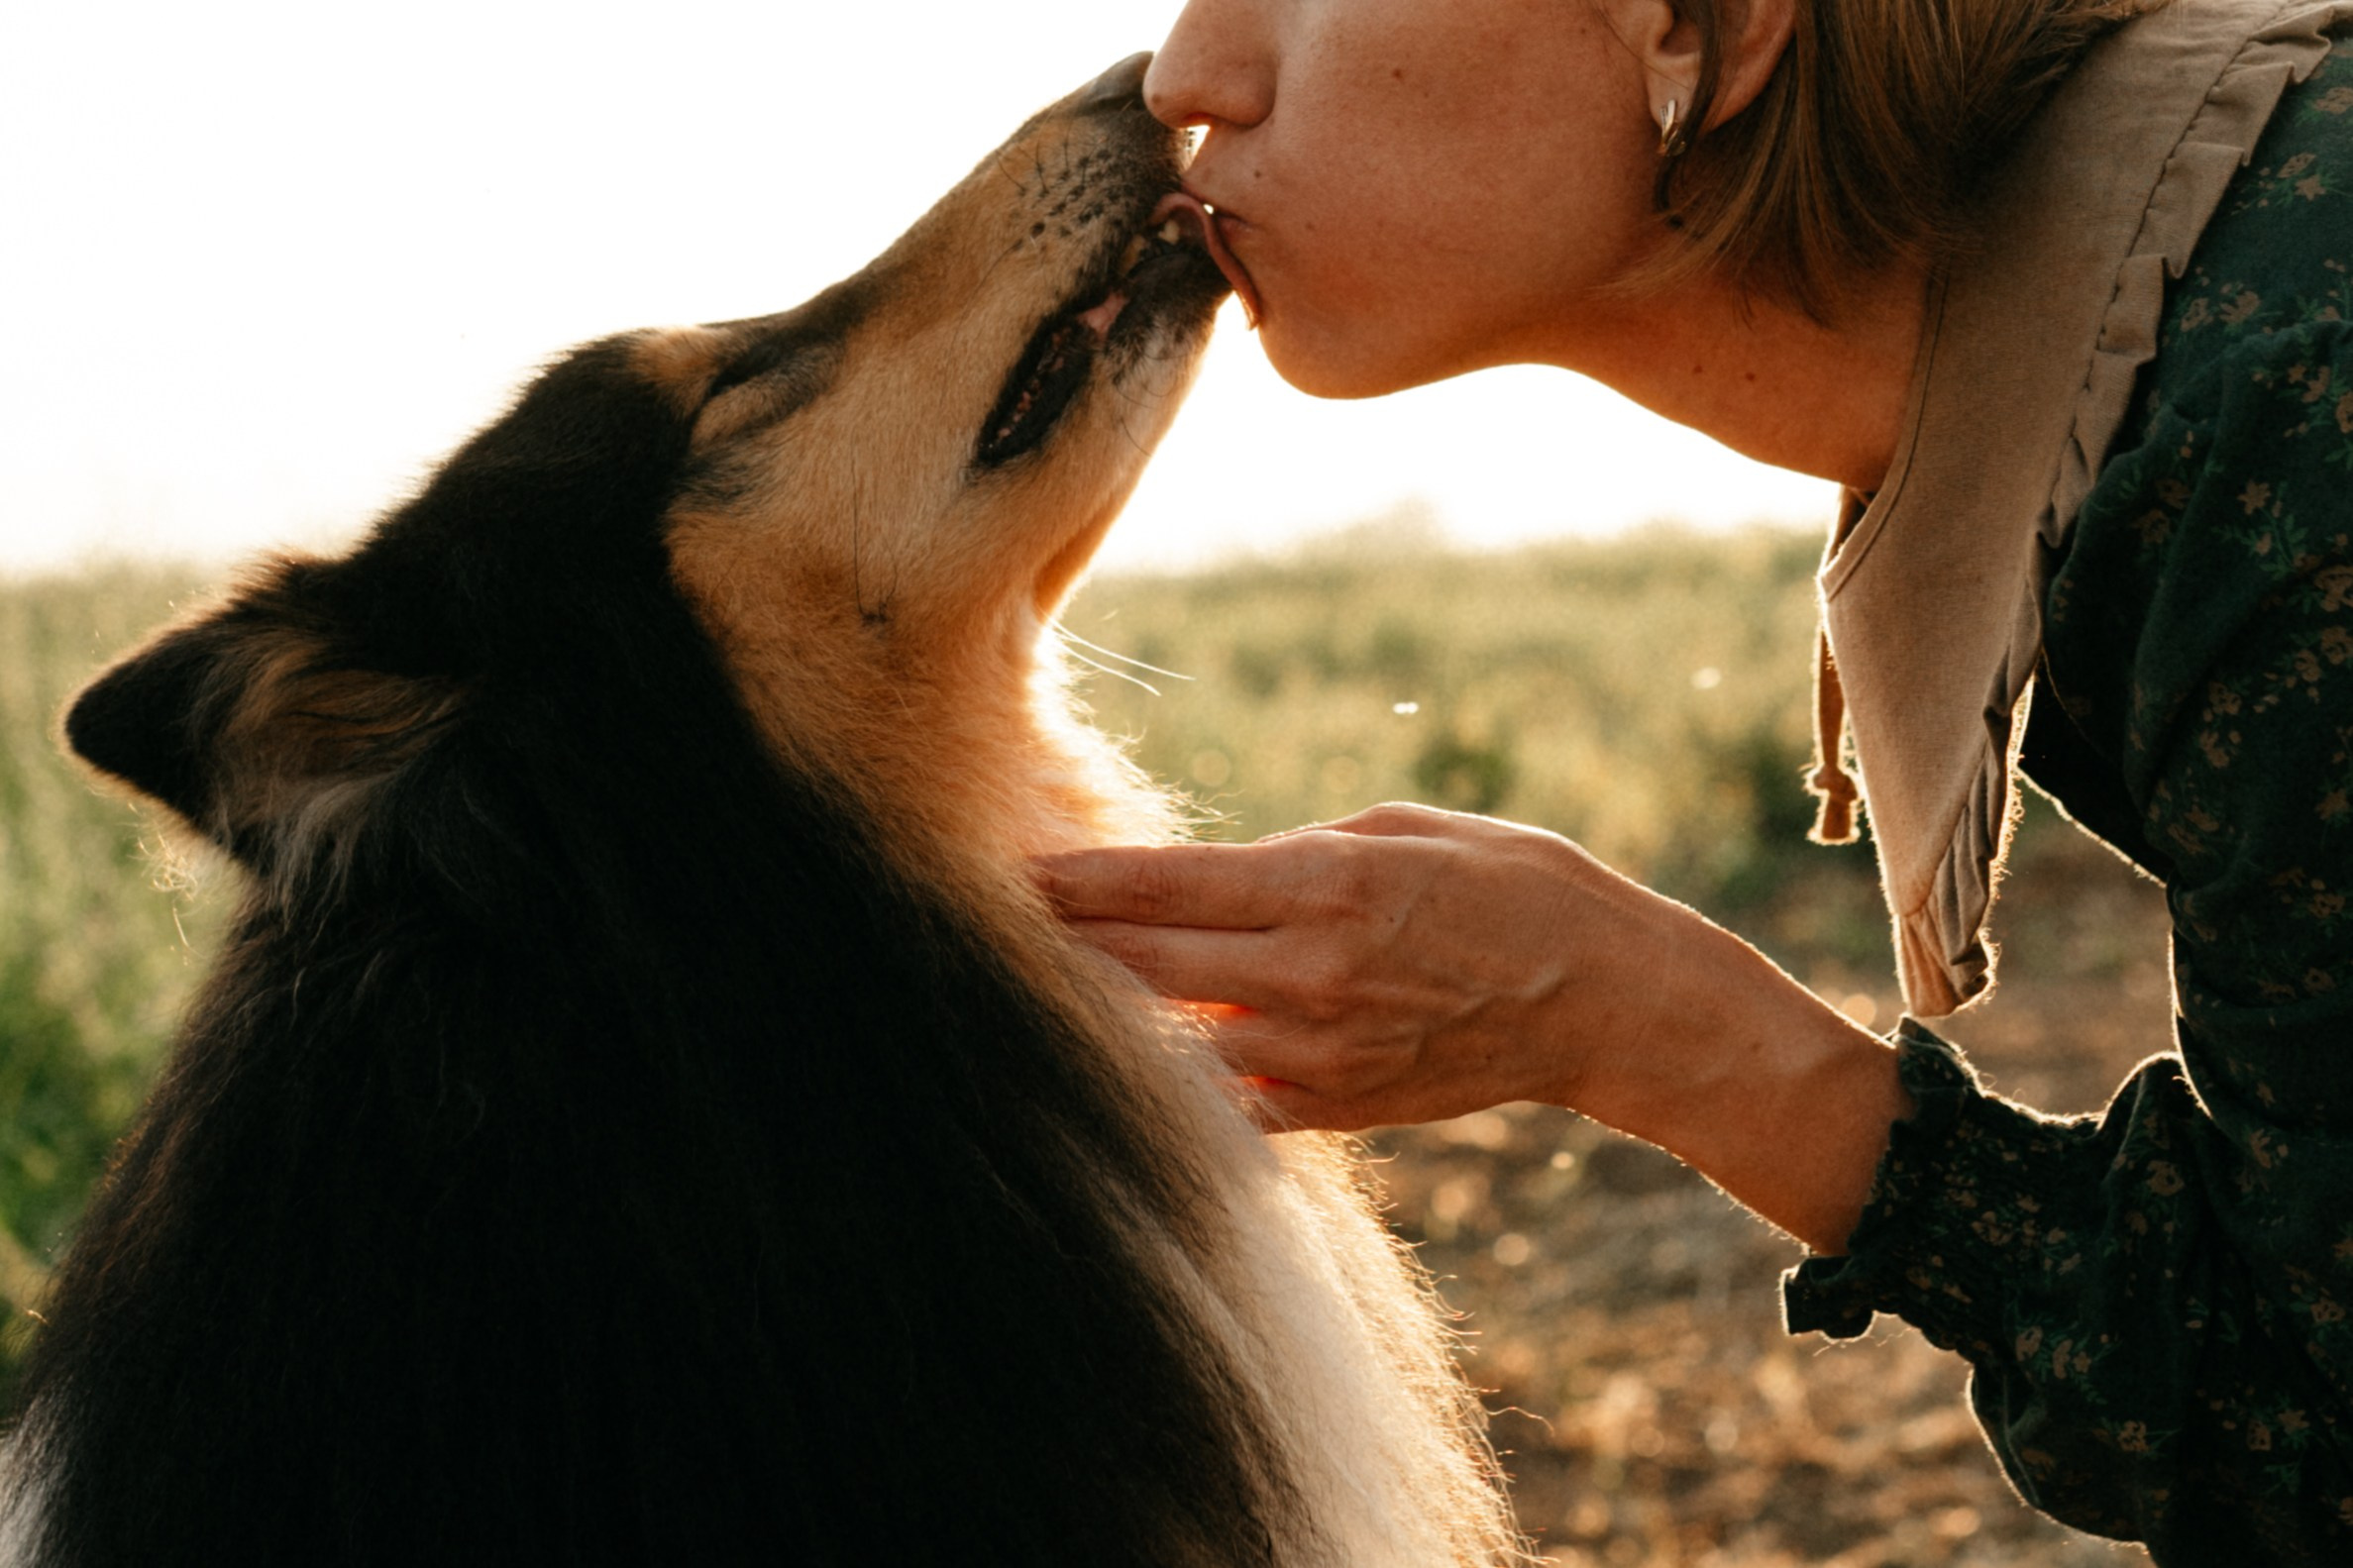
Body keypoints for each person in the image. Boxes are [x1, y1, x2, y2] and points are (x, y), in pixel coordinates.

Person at [1035, 0, 2353, 1559]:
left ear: (1690, 31)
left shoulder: (2286, 435)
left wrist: (1652, 1025)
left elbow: (2316, 1435)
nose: (1189, 76)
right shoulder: (2210, 300)